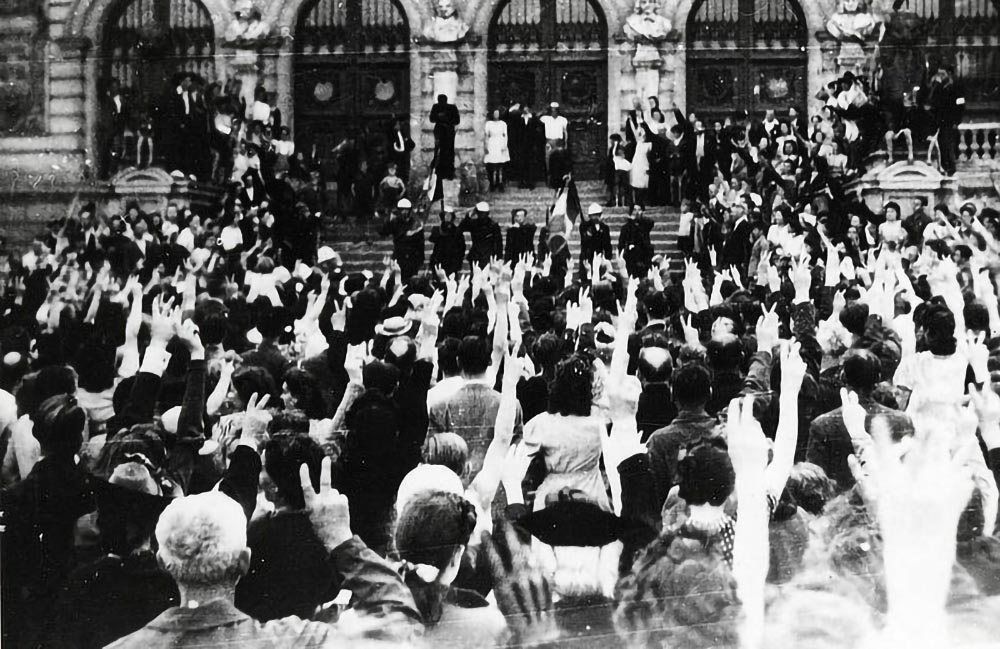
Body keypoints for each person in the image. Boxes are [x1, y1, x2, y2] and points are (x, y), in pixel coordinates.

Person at [379, 199, 425, 280]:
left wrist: (420, 259)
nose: (404, 212)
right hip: (399, 254)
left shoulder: (416, 223)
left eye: (406, 209)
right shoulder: (395, 222)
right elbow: (383, 232)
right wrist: (389, 220)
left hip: (412, 256)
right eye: (402, 209)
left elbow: (421, 243)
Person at [460, 202, 503, 269]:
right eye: (480, 213)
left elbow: (498, 242)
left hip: (488, 256)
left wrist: (499, 257)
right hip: (476, 255)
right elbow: (462, 227)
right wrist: (468, 216)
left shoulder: (493, 225)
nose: (482, 216)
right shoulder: (474, 224)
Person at [618, 206, 654, 278]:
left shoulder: (645, 225)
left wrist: (641, 217)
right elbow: (621, 244)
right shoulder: (626, 227)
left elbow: (651, 222)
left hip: (644, 255)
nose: (637, 212)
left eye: (639, 210)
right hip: (631, 256)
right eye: (635, 210)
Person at [430, 95, 460, 180]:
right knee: (439, 152)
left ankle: (449, 173)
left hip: (449, 133)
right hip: (439, 133)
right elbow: (432, 118)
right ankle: (439, 173)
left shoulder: (452, 108)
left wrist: (445, 118)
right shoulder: (436, 107)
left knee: (449, 152)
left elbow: (457, 120)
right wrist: (439, 116)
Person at [429, 207, 466, 276]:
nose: (447, 217)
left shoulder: (457, 231)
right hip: (439, 263)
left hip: (452, 263)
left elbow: (462, 249)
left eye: (450, 215)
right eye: (446, 215)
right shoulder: (437, 230)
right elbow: (432, 240)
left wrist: (457, 263)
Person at [484, 109, 510, 192]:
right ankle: (492, 183)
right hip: (492, 144)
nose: (496, 115)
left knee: (500, 165)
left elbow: (505, 135)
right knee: (491, 165)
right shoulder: (489, 124)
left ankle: (500, 183)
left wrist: (504, 145)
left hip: (500, 143)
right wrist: (486, 146)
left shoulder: (503, 124)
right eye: (495, 114)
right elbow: (486, 136)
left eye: (497, 114)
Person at [540, 102, 569, 174]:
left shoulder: (562, 120)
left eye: (555, 110)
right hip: (549, 142)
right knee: (548, 160)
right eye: (552, 110)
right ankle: (550, 178)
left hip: (558, 142)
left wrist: (565, 143)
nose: (554, 112)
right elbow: (538, 116)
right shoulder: (545, 118)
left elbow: (565, 132)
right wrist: (545, 110)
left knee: (559, 161)